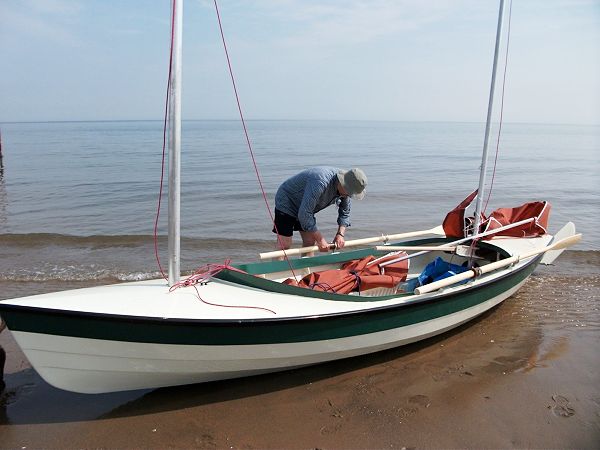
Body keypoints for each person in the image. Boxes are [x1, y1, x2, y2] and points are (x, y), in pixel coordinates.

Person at [273, 167, 367, 254]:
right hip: (288, 200)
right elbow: (305, 213)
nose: (349, 196)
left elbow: (345, 212)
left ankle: (306, 269)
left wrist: (340, 234)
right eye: (349, 193)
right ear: (342, 184)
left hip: (307, 205)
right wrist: (321, 240)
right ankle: (276, 270)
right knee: (284, 245)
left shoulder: (347, 190)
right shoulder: (320, 182)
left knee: (310, 241)